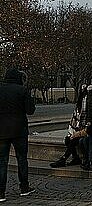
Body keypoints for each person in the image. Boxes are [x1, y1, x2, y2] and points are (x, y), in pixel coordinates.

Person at [0, 69, 36, 201]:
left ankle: (1, 193)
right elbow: (30, 110)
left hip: (2, 131)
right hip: (19, 130)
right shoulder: (22, 90)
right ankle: (24, 188)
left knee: (2, 161)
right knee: (22, 159)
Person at [49, 86, 88, 168]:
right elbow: (74, 122)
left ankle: (63, 159)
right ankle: (75, 158)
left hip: (86, 132)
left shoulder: (86, 107)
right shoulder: (79, 108)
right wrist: (71, 133)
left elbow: (85, 125)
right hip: (79, 131)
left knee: (73, 140)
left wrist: (76, 134)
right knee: (68, 139)